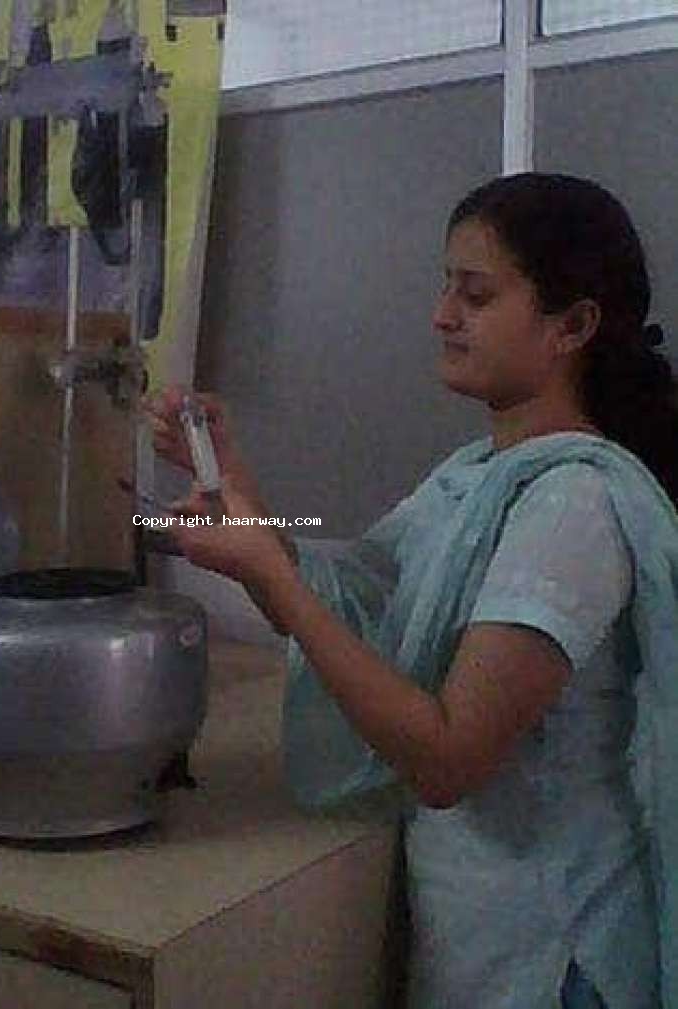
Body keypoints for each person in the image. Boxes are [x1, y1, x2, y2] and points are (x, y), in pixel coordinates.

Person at [144, 173, 678, 1009]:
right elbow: (353, 605)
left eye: (476, 294)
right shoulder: (474, 475)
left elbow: (447, 757)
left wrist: (272, 575)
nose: (441, 315)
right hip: (478, 921)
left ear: (572, 325)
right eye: (445, 286)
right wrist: (231, 481)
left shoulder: (575, 505)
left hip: (553, 946)